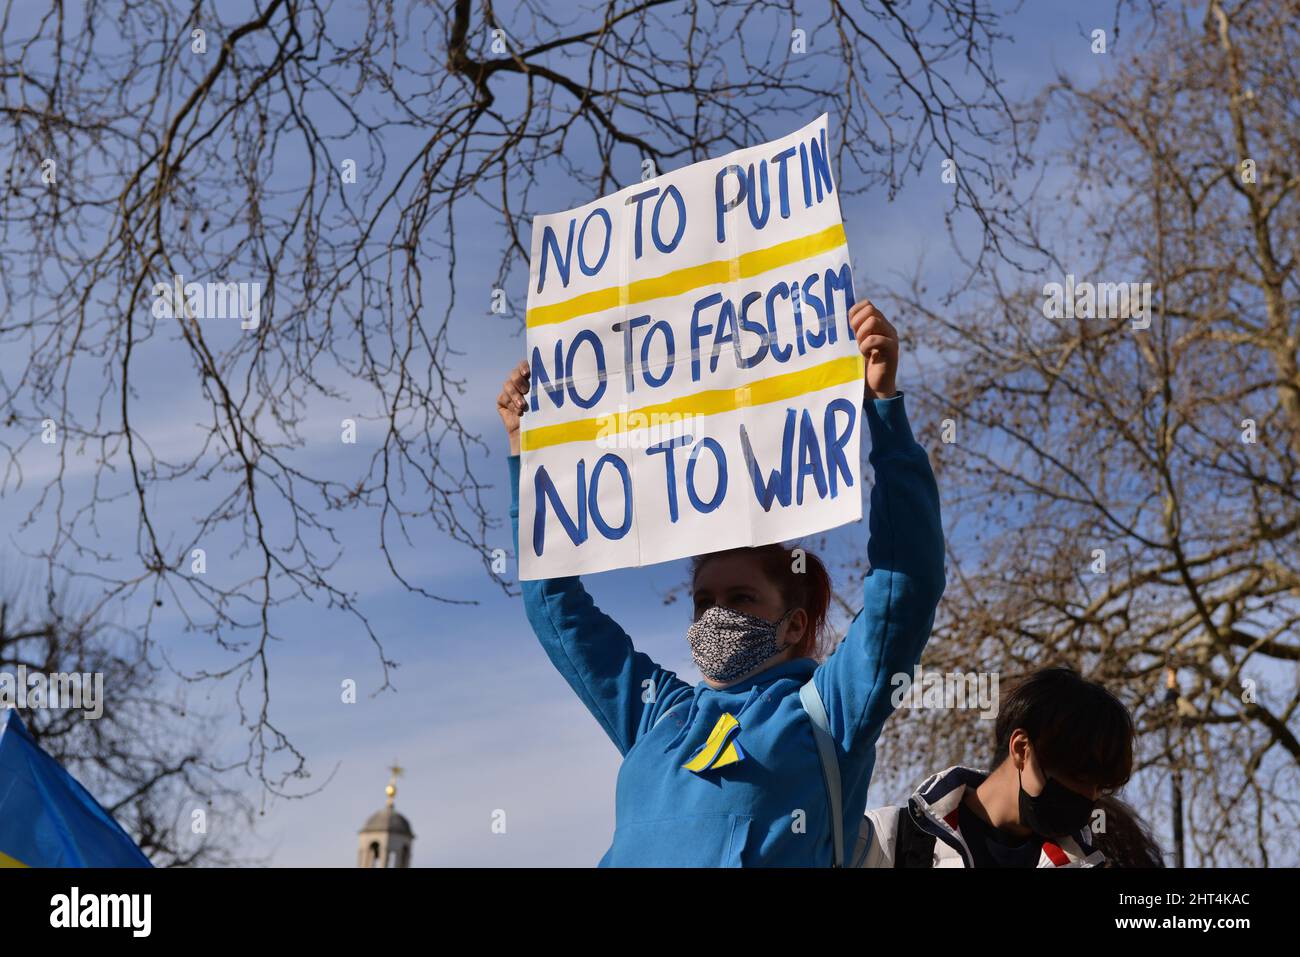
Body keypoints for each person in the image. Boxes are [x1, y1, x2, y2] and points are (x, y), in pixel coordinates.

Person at [496, 298, 945, 866]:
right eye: (703, 601)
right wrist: (525, 453)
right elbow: (552, 604)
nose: (716, 616)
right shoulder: (656, 714)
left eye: (741, 598)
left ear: (796, 624)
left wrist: (882, 409)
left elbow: (906, 586)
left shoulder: (829, 712)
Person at [858, 666, 1161, 867]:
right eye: (1078, 777)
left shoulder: (1090, 860)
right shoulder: (885, 843)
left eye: (1099, 786)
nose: (1089, 796)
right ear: (1021, 749)